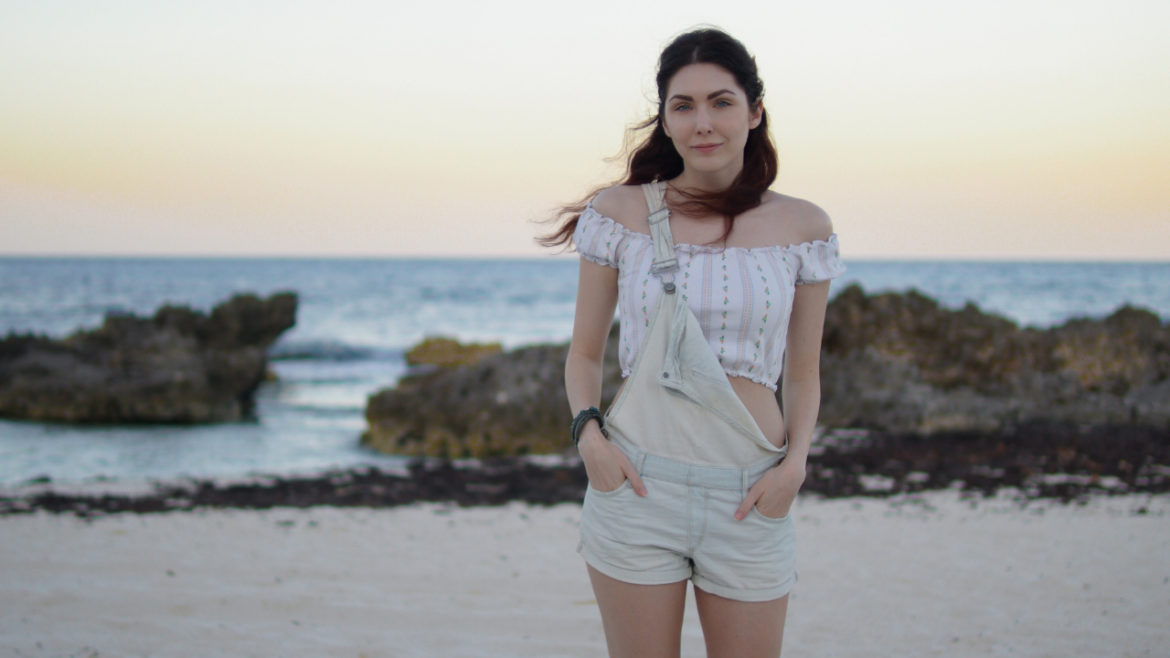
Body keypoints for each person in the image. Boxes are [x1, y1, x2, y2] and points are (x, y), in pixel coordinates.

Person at [540, 27, 844, 658]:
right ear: (666, 121)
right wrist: (589, 438)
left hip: (752, 495)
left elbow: (805, 371)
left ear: (754, 112)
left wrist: (795, 466)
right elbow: (585, 354)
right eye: (684, 106)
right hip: (636, 488)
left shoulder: (804, 227)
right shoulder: (618, 214)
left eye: (721, 102)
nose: (703, 122)